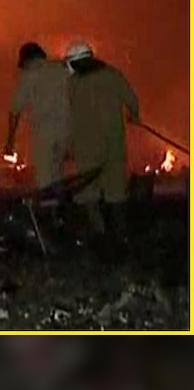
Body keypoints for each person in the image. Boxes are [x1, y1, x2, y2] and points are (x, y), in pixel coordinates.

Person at [64, 42, 140, 243]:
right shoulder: (113, 75)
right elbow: (132, 99)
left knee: (88, 194)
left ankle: (100, 234)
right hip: (114, 144)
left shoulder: (72, 84)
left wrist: (68, 147)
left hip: (86, 147)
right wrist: (134, 115)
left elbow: (68, 118)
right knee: (116, 192)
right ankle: (120, 236)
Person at [4, 41, 70, 192]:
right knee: (61, 178)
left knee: (46, 183)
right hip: (67, 132)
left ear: (27, 60)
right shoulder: (61, 69)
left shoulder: (28, 76)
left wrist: (9, 142)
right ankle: (62, 211)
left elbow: (15, 112)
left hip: (44, 136)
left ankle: (51, 213)